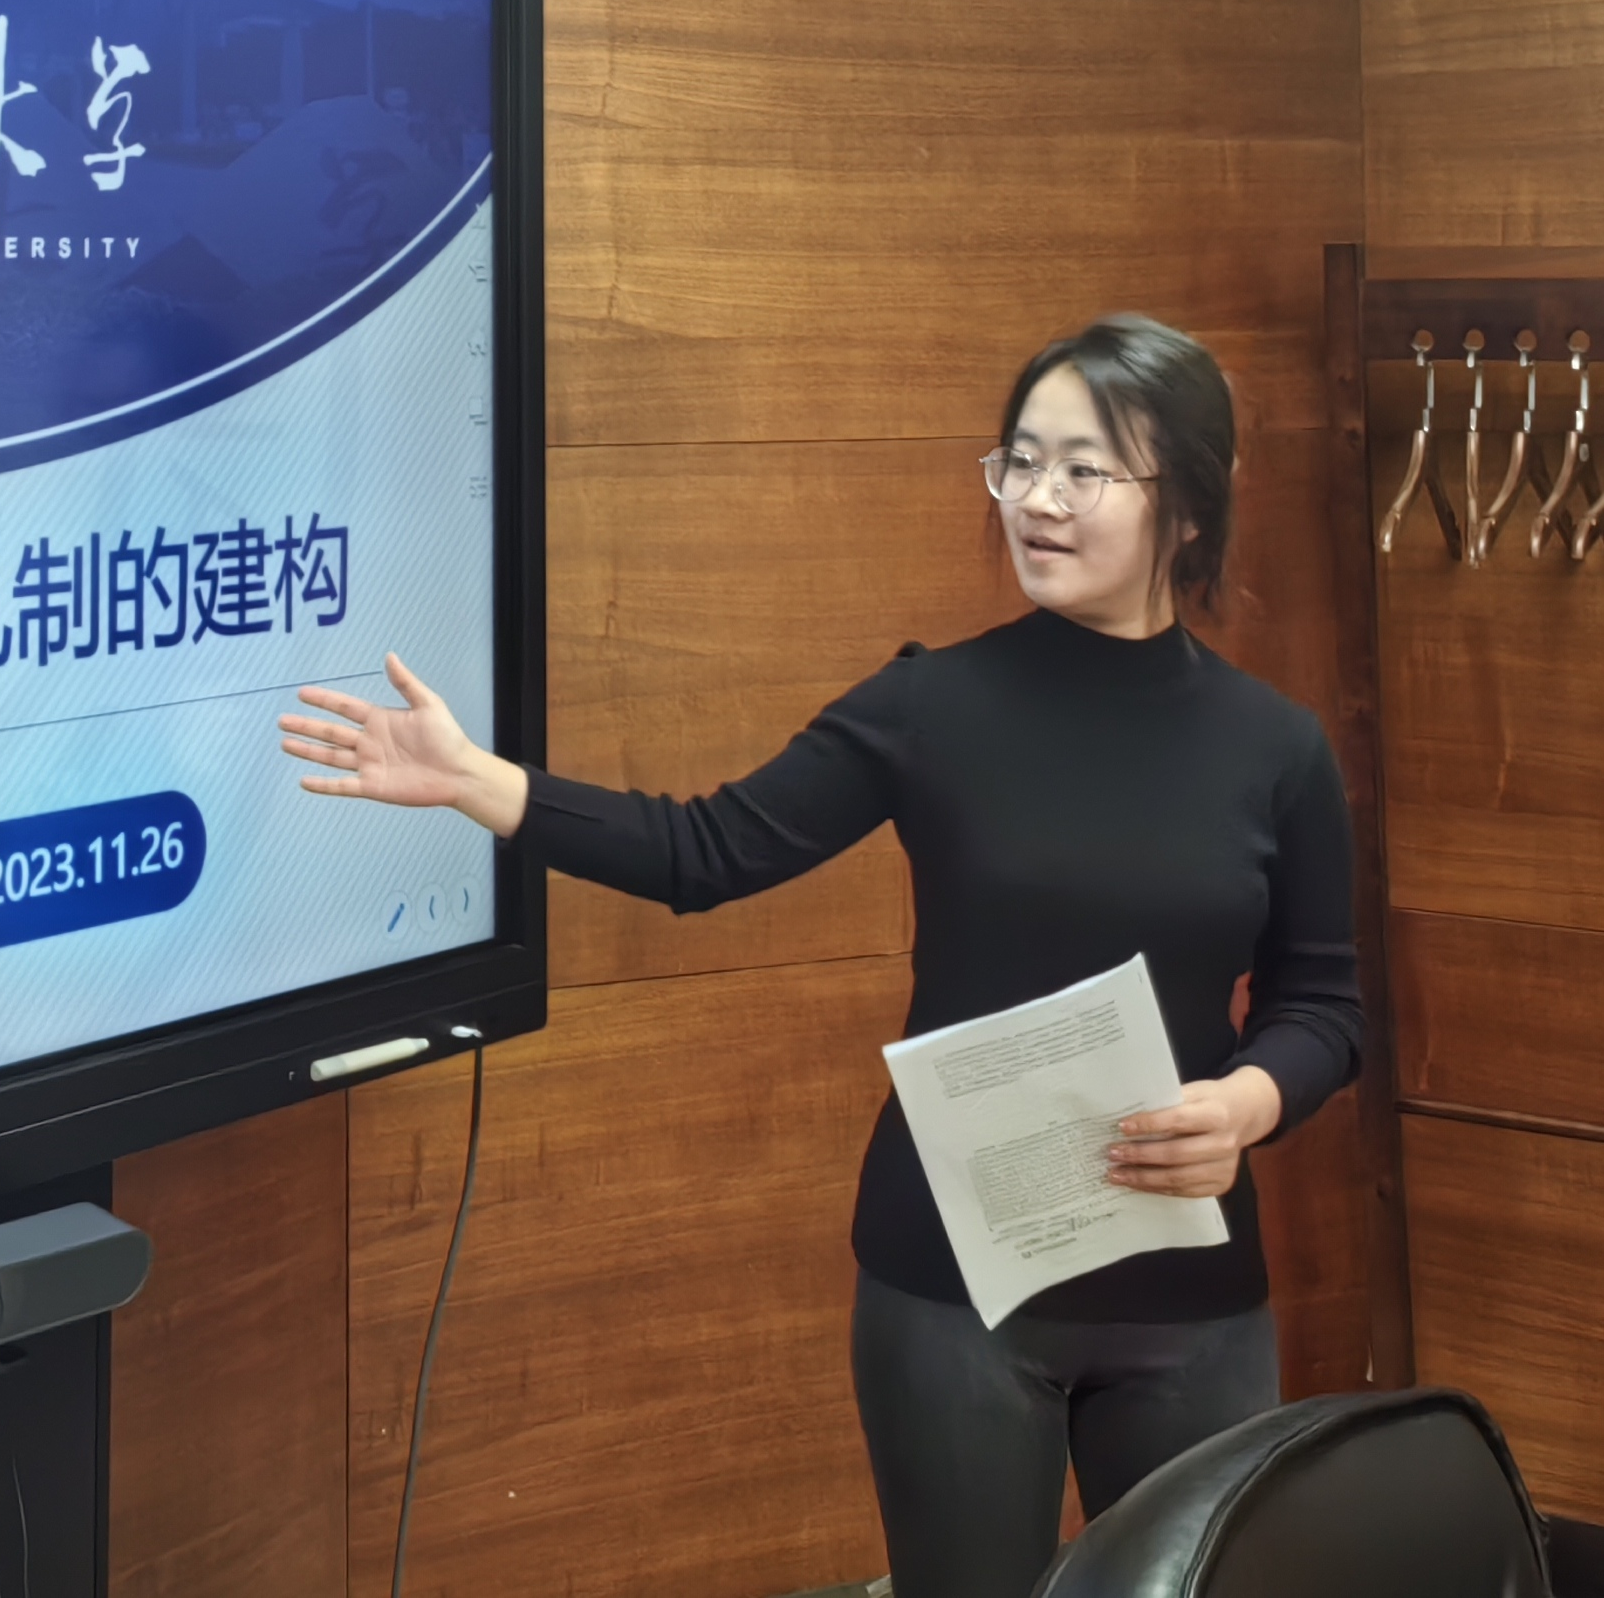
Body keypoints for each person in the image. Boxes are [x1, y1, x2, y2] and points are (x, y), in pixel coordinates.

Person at [276, 314, 1360, 1598]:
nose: (1036, 500)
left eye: (1084, 470)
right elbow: (704, 850)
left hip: (1189, 1293)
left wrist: (1248, 1102)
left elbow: (1323, 1002)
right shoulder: (932, 706)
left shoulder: (1274, 748)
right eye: (1019, 461)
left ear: (1187, 504)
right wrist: (482, 783)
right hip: (950, 1293)